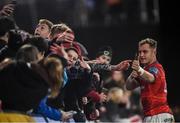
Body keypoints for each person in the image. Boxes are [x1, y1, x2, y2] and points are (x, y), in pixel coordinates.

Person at [125, 38, 174, 122]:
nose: (141, 55)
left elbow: (151, 78)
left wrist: (139, 70)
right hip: (151, 115)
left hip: (160, 115)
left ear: (154, 52)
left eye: (145, 51)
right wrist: (132, 75)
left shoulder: (157, 67)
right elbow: (128, 86)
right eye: (140, 52)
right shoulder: (145, 70)